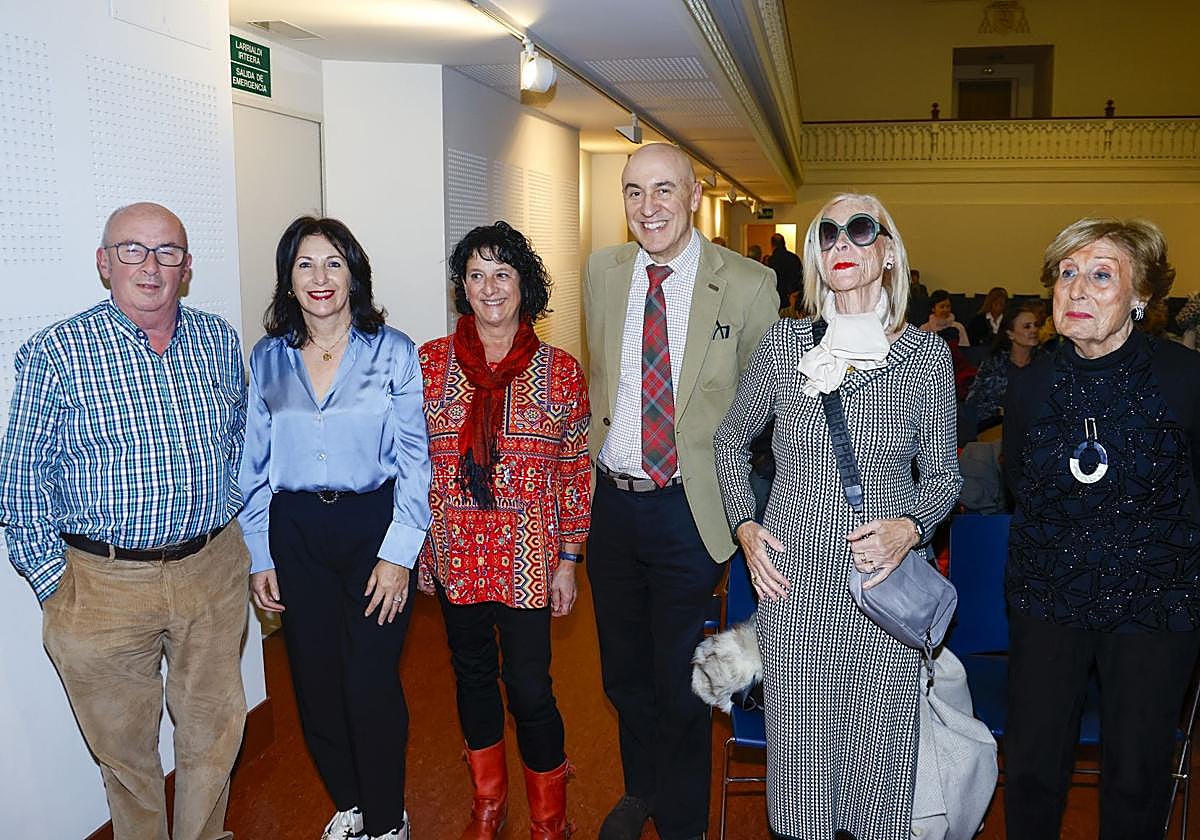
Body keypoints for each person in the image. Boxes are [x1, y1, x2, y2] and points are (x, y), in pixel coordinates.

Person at [713, 193, 962, 840]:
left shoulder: (927, 359)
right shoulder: (785, 343)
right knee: (800, 760)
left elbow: (943, 476)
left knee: (878, 758)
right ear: (818, 260)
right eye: (828, 235)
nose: (842, 245)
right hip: (792, 588)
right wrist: (745, 527)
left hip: (880, 588)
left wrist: (910, 528)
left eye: (860, 231)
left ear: (887, 253)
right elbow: (728, 440)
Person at [0, 203, 249, 840]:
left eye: (168, 251)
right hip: (102, 585)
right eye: (132, 250)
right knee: (127, 756)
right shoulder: (54, 353)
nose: (151, 265)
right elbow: (21, 480)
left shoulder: (219, 340)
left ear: (187, 266)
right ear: (104, 262)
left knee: (213, 732)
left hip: (212, 570)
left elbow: (238, 441)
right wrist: (57, 585)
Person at [583, 143, 778, 840]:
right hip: (613, 506)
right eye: (634, 192)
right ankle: (643, 792)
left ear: (694, 195)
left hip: (689, 513)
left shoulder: (749, 285)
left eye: (664, 190)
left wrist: (757, 511)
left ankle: (687, 823)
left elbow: (767, 409)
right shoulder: (603, 273)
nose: (649, 207)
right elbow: (602, 387)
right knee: (623, 676)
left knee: (681, 680)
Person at [1002, 218, 1200, 838]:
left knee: (1137, 777)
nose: (1077, 289)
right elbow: (1019, 484)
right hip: (1048, 600)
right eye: (1066, 274)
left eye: (1101, 274)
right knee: (1032, 772)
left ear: (1141, 297)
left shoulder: (1185, 381)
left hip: (1156, 606)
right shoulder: (1031, 388)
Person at [239, 217, 431, 840]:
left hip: (372, 526)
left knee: (369, 681)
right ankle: (350, 802)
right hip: (296, 533)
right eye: (304, 265)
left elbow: (414, 459)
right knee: (316, 685)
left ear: (354, 274)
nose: (319, 278)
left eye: (332, 263)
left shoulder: (393, 350)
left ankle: (385, 818)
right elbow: (255, 462)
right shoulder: (267, 358)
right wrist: (260, 551)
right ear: (288, 280)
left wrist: (400, 553)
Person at [417, 221, 590, 840]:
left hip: (528, 558)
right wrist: (421, 550)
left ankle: (550, 817)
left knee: (530, 687)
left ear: (525, 286)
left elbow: (574, 470)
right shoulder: (430, 364)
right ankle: (488, 802)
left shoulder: (561, 371)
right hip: (457, 552)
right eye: (476, 275)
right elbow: (416, 466)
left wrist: (569, 558)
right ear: (462, 287)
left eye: (503, 274)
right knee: (470, 677)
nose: (489, 288)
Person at [965, 305, 1040, 431]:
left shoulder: (1046, 363)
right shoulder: (994, 363)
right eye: (1027, 326)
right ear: (1010, 334)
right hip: (996, 429)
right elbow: (974, 402)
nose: (1034, 330)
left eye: (1036, 325)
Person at [768, 231, 803, 309]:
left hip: (777, 298)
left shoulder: (772, 260)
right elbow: (801, 277)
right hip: (792, 298)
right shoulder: (794, 258)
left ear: (772, 245)